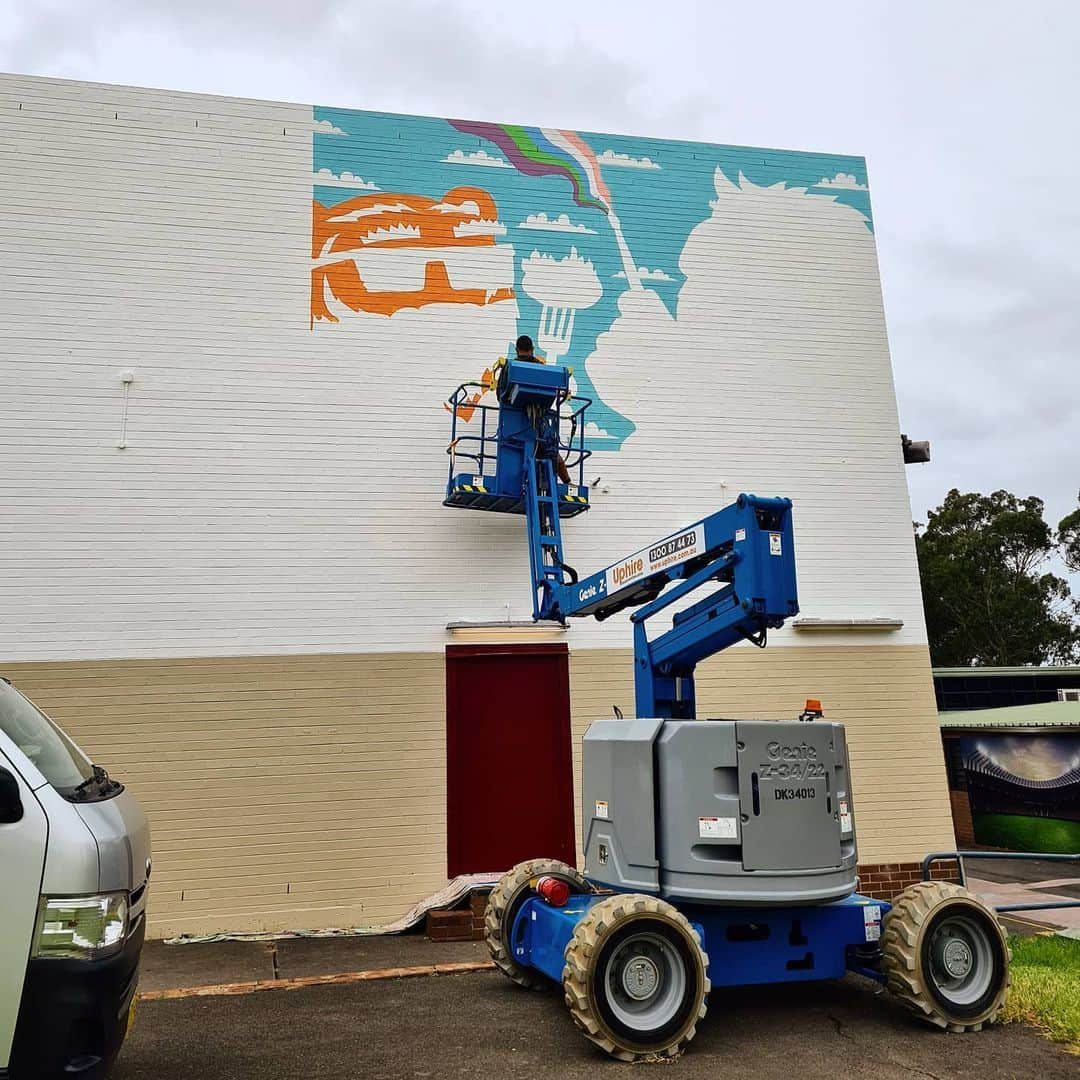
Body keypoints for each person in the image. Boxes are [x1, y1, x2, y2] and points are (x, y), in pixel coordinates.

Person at [508, 335, 572, 485]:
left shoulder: (510, 367)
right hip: (541, 423)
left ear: (517, 350)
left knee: (537, 451)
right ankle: (568, 483)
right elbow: (550, 393)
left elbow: (501, 395)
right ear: (532, 349)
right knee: (552, 452)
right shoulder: (541, 367)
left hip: (512, 423)